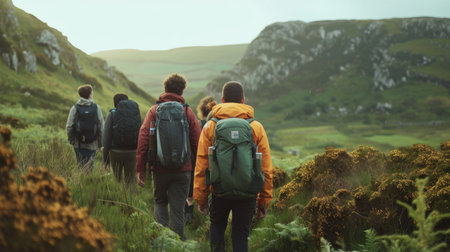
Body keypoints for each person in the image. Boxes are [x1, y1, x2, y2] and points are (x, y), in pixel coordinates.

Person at [193, 81, 273, 252]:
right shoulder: (256, 127)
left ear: (222, 100)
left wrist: (200, 198)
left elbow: (202, 164)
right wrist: (264, 201)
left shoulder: (210, 126)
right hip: (248, 192)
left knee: (217, 227)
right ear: (243, 101)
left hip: (219, 190)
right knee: (240, 235)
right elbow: (265, 167)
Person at [136, 73, 201, 240]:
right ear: (182, 91)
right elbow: (198, 143)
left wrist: (140, 169)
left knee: (160, 203)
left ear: (165, 89)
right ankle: (177, 244)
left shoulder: (154, 111)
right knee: (178, 210)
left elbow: (143, 140)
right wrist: (198, 170)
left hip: (159, 168)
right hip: (183, 170)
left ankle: (162, 241)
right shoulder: (187, 111)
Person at [185, 95, 218, 222]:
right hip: (214, 163)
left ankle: (189, 214)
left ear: (201, 110)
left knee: (192, 186)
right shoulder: (216, 124)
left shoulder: (199, 123)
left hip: (196, 159)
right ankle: (208, 218)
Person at [102, 93, 141, 188]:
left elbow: (106, 138)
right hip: (133, 151)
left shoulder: (112, 114)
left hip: (116, 152)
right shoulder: (135, 113)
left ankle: (118, 200)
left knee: (117, 180)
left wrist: (105, 160)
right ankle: (131, 201)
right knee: (131, 180)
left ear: (115, 103)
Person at [66, 84, 104, 173]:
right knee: (89, 167)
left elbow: (69, 126)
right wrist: (100, 144)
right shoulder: (96, 108)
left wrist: (72, 140)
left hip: (78, 143)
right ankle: (87, 182)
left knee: (80, 166)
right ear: (90, 95)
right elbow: (101, 127)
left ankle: (80, 182)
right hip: (92, 144)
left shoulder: (75, 108)